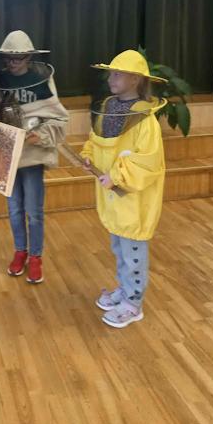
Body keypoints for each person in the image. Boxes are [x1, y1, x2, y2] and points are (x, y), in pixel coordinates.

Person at [80, 50, 167, 328]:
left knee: (133, 253)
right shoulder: (108, 106)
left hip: (133, 199)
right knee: (120, 249)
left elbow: (146, 162)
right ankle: (124, 289)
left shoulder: (145, 119)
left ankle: (133, 303)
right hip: (112, 196)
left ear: (135, 79)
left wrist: (116, 176)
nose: (111, 78)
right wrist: (89, 156)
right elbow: (97, 139)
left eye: (118, 74)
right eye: (111, 73)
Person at [0, 31, 68, 284]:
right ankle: (20, 251)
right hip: (9, 157)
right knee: (14, 209)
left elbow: (57, 117)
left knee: (34, 211)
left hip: (32, 157)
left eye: (18, 58)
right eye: (9, 58)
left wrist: (38, 135)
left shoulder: (42, 81)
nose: (13, 63)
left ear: (29, 57)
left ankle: (35, 257)